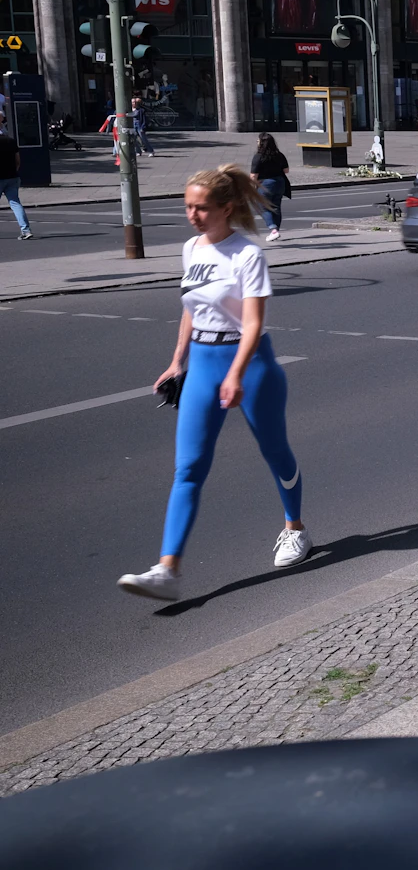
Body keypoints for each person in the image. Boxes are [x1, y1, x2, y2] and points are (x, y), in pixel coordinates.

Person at [118, 166, 308, 601]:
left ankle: (294, 528)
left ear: (226, 208)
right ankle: (168, 569)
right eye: (188, 206)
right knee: (188, 468)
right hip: (202, 362)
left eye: (201, 208)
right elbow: (191, 307)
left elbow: (254, 323)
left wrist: (237, 373)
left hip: (250, 361)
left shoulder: (247, 255)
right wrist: (177, 360)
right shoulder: (191, 249)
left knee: (275, 451)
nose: (192, 215)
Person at [251, 132, 292, 242]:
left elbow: (253, 176)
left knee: (263, 207)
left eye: (258, 140)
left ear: (262, 143)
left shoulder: (258, 156)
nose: (257, 142)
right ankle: (276, 231)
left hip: (265, 184)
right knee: (276, 207)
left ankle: (273, 230)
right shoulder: (279, 155)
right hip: (280, 183)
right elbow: (286, 170)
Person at [0, 116, 31, 239]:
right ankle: (26, 230)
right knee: (15, 203)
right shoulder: (11, 141)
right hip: (12, 177)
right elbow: (18, 161)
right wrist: (14, 171)